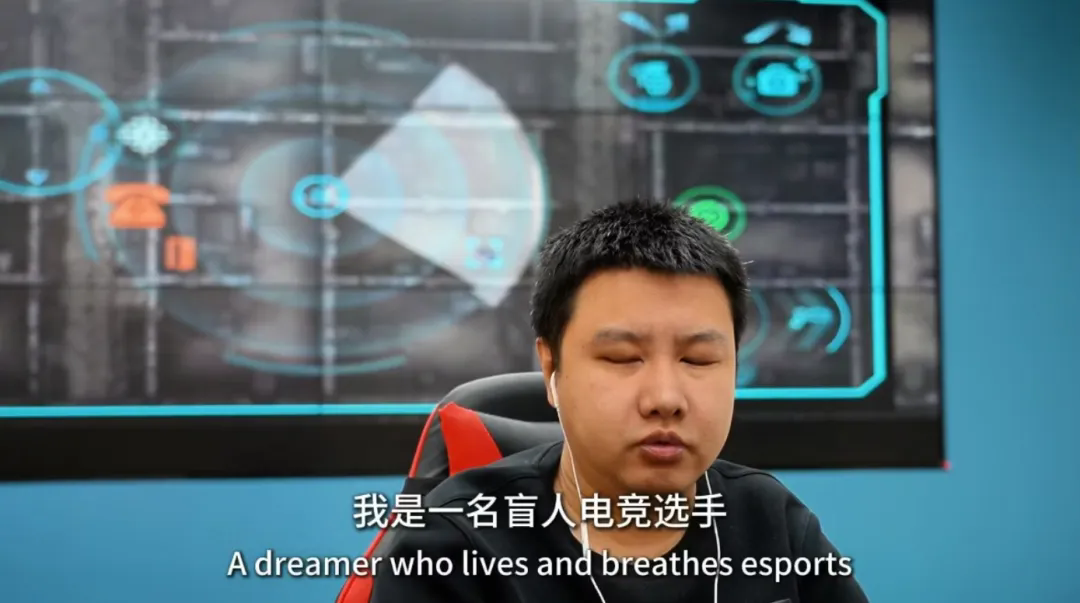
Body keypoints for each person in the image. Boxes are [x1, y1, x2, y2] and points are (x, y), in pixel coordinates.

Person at [369, 199, 868, 603]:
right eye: (623, 358)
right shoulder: (454, 545)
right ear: (551, 369)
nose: (666, 398)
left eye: (698, 359)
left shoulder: (769, 520)